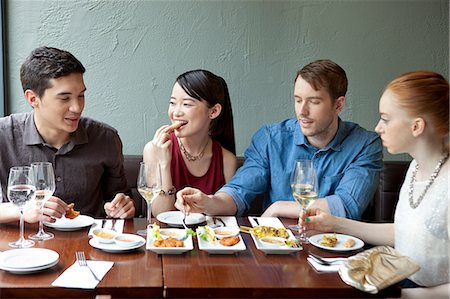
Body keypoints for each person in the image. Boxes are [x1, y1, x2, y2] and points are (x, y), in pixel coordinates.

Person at [303, 71, 449, 298]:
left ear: (417, 126)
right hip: (400, 286)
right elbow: (407, 234)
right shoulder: (416, 168)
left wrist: (404, 296)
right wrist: (334, 223)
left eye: (386, 119)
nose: (378, 127)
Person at [175, 59, 383, 218]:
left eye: (314, 102)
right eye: (298, 100)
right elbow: (239, 191)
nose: (302, 111)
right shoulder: (270, 139)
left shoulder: (365, 145)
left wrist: (279, 207)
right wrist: (208, 202)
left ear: (338, 105)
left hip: (335, 252)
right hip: (277, 249)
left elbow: (348, 205)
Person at [0, 46, 135, 223]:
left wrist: (123, 206)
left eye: (81, 96)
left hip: (87, 244)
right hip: (22, 245)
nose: (77, 108)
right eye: (64, 98)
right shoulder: (4, 136)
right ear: (33, 99)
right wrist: (23, 209)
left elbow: (119, 196)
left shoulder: (106, 138)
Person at [143, 69, 238, 216]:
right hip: (168, 237)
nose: (176, 112)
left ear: (213, 111)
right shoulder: (153, 149)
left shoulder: (227, 160)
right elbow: (161, 214)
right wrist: (164, 164)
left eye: (186, 104)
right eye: (172, 103)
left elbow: (227, 218)